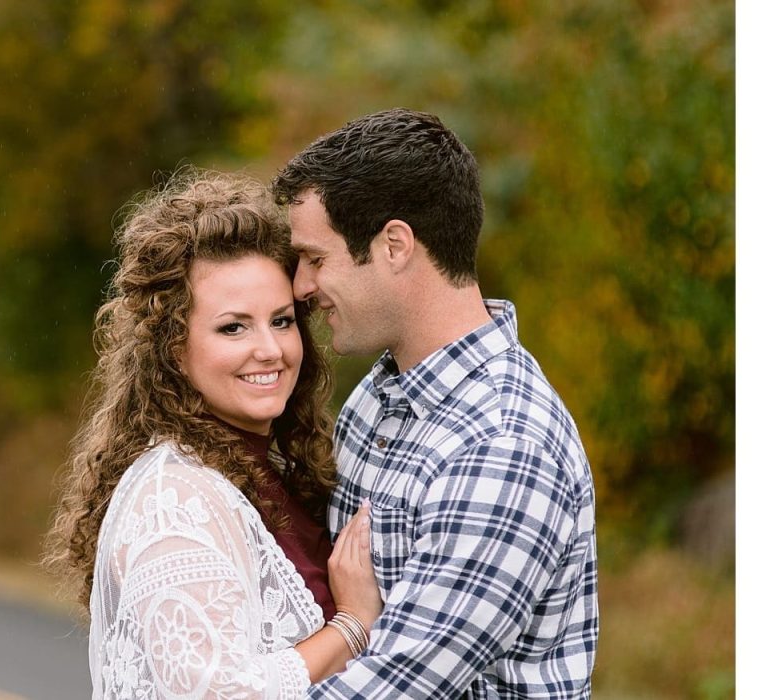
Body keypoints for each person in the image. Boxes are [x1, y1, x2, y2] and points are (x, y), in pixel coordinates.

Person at [272, 108, 599, 698]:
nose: (300, 286)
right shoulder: (376, 399)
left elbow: (396, 688)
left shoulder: (503, 443)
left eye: (316, 259)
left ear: (394, 244)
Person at [45, 170, 384, 699]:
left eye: (281, 320)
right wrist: (353, 627)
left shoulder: (271, 475)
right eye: (233, 327)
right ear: (174, 348)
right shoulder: (173, 500)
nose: (270, 350)